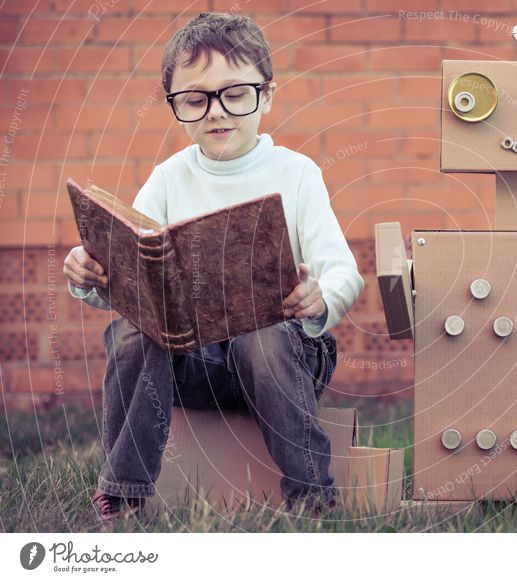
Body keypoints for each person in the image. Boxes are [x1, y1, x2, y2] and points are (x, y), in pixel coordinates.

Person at [62, 11, 364, 527]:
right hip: (193, 365)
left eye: (235, 93)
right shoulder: (166, 179)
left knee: (260, 337)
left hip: (283, 361)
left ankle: (312, 496)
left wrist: (321, 298)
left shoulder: (296, 174)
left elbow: (345, 273)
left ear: (266, 94)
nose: (216, 111)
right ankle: (123, 495)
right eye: (195, 99)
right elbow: (135, 271)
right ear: (175, 105)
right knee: (132, 333)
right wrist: (91, 276)